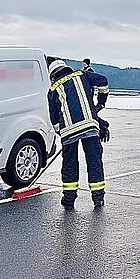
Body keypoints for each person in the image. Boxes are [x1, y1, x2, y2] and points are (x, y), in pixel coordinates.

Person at [47, 59, 109, 208]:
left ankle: (69, 199)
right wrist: (100, 102)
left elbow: (54, 119)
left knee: (69, 165)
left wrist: (61, 132)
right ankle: (98, 198)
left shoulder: (53, 89)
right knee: (94, 162)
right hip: (90, 127)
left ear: (53, 75)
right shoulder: (83, 75)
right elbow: (103, 82)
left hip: (68, 131)